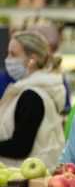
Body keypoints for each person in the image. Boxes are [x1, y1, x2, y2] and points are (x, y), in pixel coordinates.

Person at [0, 31, 65, 170]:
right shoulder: (33, 90)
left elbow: (20, 147)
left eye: (13, 54)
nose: (8, 60)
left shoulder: (32, 96)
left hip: (23, 179)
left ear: (32, 59)